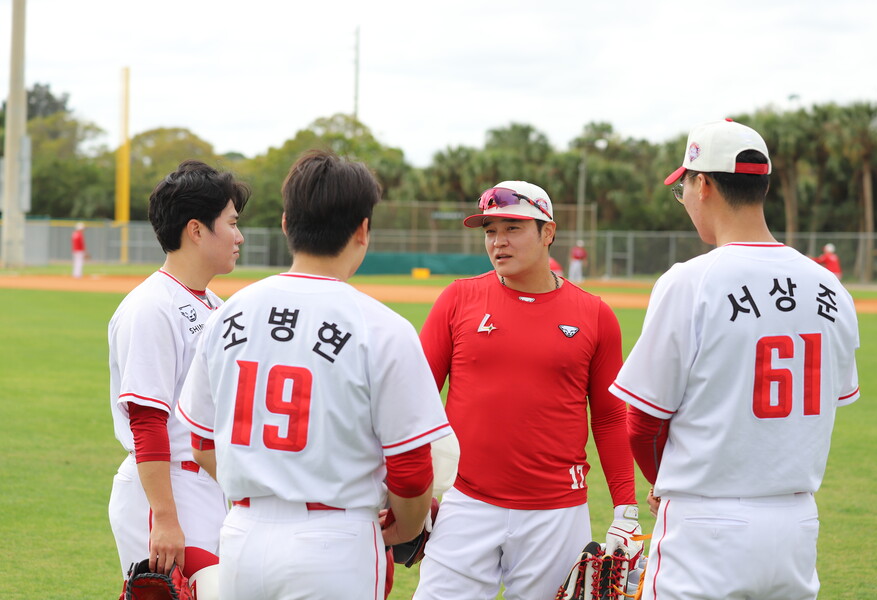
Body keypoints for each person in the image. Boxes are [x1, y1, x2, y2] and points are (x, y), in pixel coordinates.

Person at [175, 150, 452, 600]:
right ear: (363, 230)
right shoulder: (382, 327)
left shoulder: (228, 315)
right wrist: (410, 523)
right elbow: (411, 469)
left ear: (286, 223)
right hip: (336, 541)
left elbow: (204, 444)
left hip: (243, 535)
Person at [609, 119, 860, 600]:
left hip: (705, 522)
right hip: (797, 522)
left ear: (702, 184)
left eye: (682, 187)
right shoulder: (830, 288)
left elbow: (640, 421)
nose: (683, 199)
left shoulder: (690, 281)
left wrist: (662, 482)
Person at [414, 181, 640, 600]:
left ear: (547, 232)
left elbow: (609, 417)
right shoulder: (458, 299)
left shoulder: (595, 314)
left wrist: (626, 506)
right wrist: (412, 489)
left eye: (513, 229)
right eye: (490, 231)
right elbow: (416, 402)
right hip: (466, 503)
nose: (498, 242)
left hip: (556, 514)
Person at [107, 160, 251, 582]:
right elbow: (147, 419)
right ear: (196, 230)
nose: (239, 236)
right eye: (231, 223)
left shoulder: (216, 306)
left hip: (208, 485)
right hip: (165, 490)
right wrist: (165, 520)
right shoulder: (152, 306)